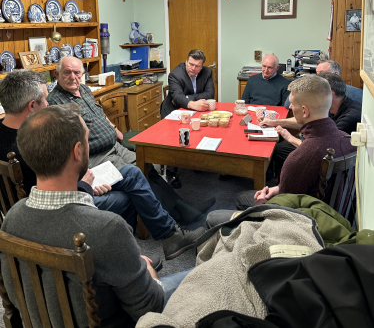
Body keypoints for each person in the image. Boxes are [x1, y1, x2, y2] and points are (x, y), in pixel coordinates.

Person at [1, 104, 192, 327]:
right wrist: (146, 268)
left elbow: (14, 295)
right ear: (77, 151)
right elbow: (152, 307)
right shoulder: (107, 229)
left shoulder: (12, 218)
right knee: (202, 277)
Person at [0, 70, 205, 260]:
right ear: (32, 106)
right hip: (54, 213)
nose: (48, 104)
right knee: (129, 195)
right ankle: (130, 258)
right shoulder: (31, 141)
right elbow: (54, 195)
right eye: (45, 100)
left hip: (23, 213)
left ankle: (162, 239)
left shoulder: (9, 134)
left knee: (133, 174)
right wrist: (85, 186)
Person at [207, 76, 356, 225]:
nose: (290, 107)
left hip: (300, 224)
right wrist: (278, 188)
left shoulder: (301, 156)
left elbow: (283, 211)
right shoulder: (348, 140)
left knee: (236, 202)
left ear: (304, 111)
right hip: (332, 219)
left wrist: (261, 201)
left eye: (292, 104)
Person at [263, 71, 362, 175]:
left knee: (279, 151)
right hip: (318, 144)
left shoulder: (350, 117)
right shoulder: (330, 105)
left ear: (330, 93)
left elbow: (322, 149)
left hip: (326, 157)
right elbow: (306, 119)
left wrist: (290, 138)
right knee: (278, 148)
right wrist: (275, 122)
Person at [160, 49, 215, 188]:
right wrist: (191, 103)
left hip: (195, 109)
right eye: (190, 64)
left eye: (197, 66)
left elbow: (210, 93)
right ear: (186, 61)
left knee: (199, 133)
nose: (193, 68)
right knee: (174, 139)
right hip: (174, 110)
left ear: (202, 66)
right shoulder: (175, 74)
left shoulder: (207, 72)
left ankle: (195, 162)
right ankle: (171, 172)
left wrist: (189, 101)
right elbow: (176, 98)